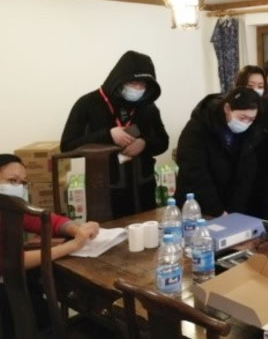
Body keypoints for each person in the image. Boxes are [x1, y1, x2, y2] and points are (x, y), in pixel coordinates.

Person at [61, 51, 169, 218]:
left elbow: (163, 142)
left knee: (147, 232)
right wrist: (108, 135)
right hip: (104, 192)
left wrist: (144, 143)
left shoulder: (148, 107)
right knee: (110, 233)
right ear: (119, 79)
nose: (138, 89)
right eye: (133, 82)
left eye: (143, 84)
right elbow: (67, 146)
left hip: (144, 188)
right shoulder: (88, 104)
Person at [0, 154, 99, 336]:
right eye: (12, 181)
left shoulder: (11, 209)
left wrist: (77, 229)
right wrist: (71, 246)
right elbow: (11, 260)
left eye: (23, 183)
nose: (19, 188)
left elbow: (48, 220)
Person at [175, 87, 268, 217]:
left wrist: (234, 211)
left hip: (229, 208)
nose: (246, 123)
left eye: (251, 119)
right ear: (227, 108)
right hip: (196, 206)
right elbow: (194, 171)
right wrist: (217, 210)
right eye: (242, 117)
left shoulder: (250, 132)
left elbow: (246, 175)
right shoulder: (198, 127)